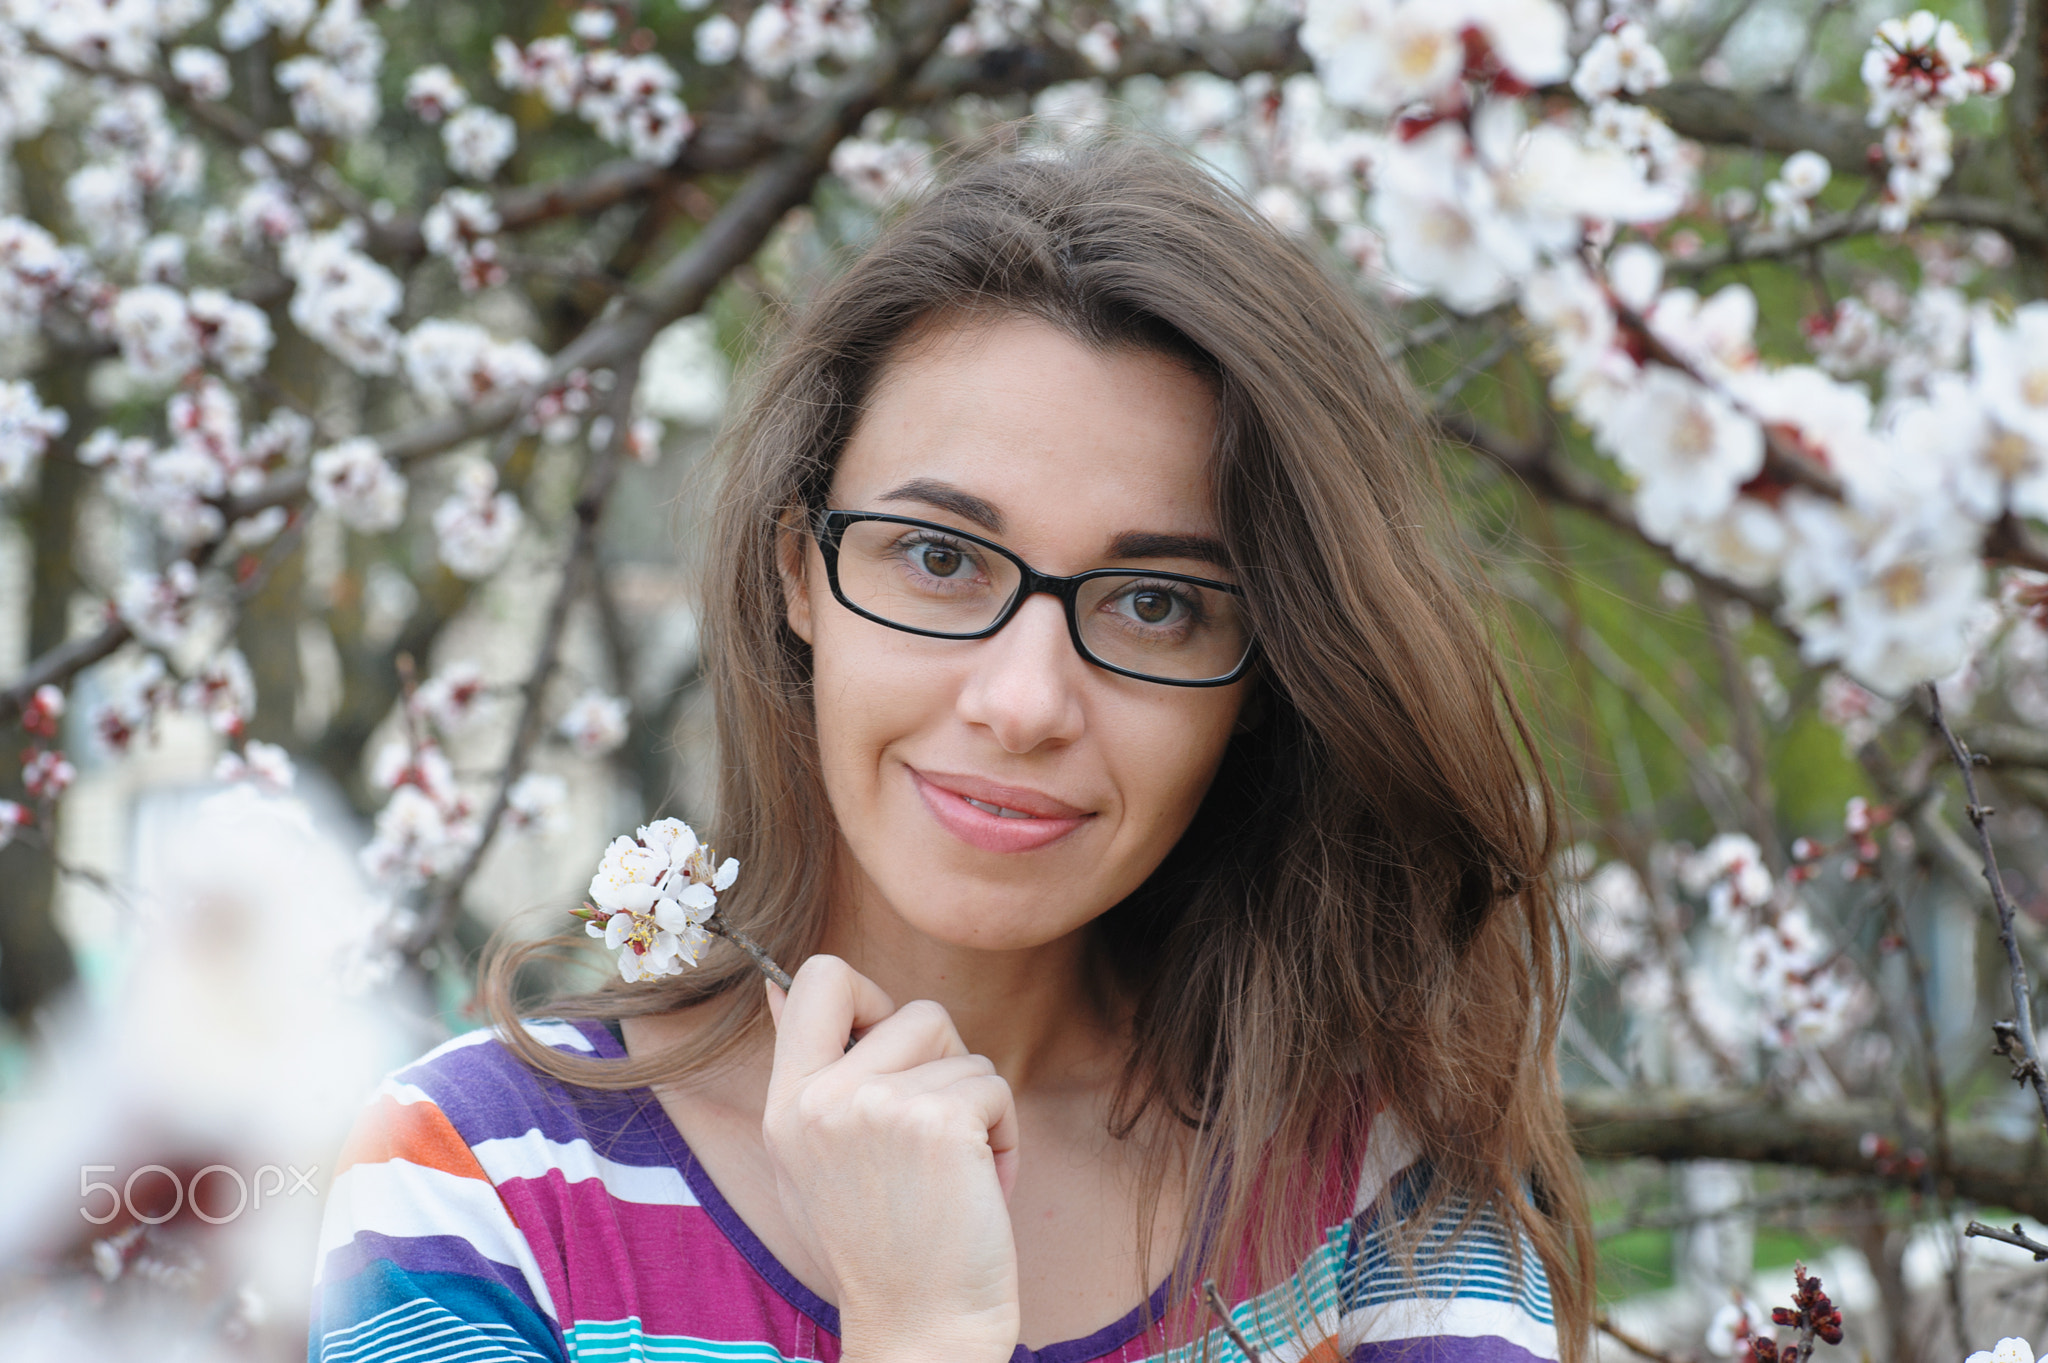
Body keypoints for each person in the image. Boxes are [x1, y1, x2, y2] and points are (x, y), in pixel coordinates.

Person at [306, 131, 1592, 1363]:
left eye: (1156, 601)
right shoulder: (486, 1185)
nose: (1024, 700)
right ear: (799, 575)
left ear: (1264, 677)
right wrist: (916, 1331)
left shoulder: (1391, 1203)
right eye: (937, 557)